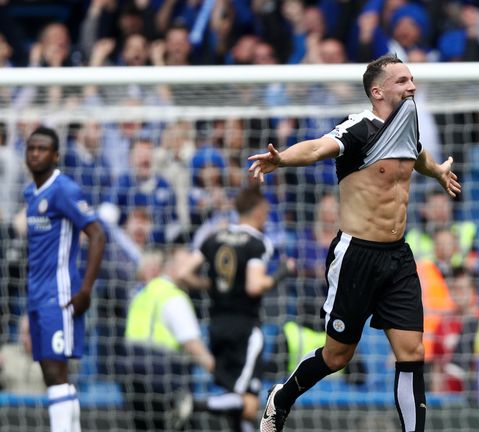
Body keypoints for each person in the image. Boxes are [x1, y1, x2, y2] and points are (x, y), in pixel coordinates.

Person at [248, 54, 461, 432]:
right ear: (377, 92)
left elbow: (418, 156)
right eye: (402, 81)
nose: (411, 87)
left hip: (398, 256)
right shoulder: (359, 128)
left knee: (412, 353)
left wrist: (438, 171)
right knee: (336, 356)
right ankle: (281, 398)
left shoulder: (407, 126)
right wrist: (281, 160)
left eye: (411, 79)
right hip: (356, 256)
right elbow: (316, 148)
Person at [181, 185, 294, 431]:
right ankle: (197, 404)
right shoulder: (257, 242)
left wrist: (209, 285)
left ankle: (203, 405)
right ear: (259, 211)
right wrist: (280, 274)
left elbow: (184, 273)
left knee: (237, 402)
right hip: (245, 328)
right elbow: (255, 286)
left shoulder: (214, 238)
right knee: (250, 404)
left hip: (216, 326)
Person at [23, 126, 106, 432]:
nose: (35, 153)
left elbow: (97, 235)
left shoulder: (64, 190)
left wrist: (86, 289)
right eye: (31, 148)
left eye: (42, 148)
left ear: (56, 155)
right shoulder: (30, 192)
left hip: (60, 295)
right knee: (51, 374)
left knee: (57, 373)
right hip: (37, 296)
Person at [123, 246, 215, 431]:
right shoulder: (173, 297)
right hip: (162, 377)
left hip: (131, 376)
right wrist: (217, 369)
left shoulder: (143, 293)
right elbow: (191, 344)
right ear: (173, 268)